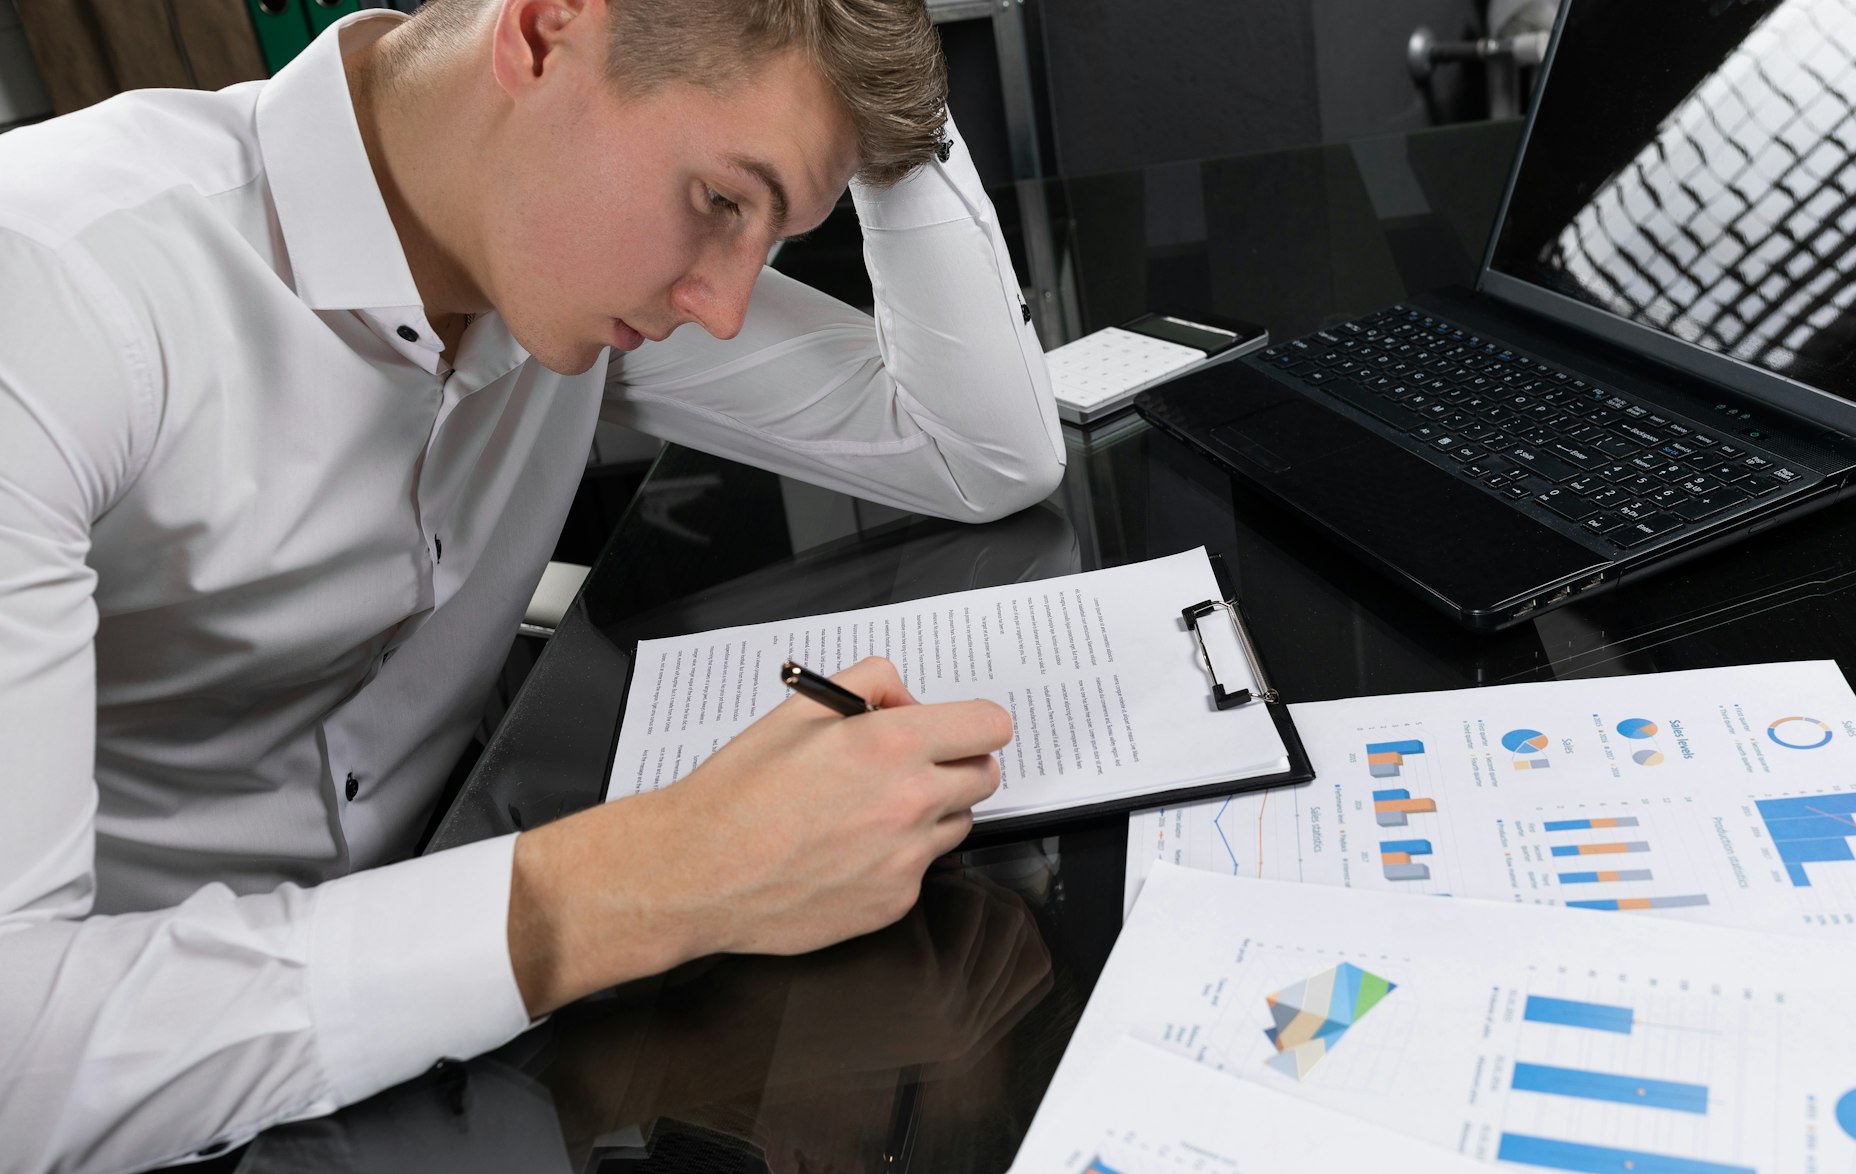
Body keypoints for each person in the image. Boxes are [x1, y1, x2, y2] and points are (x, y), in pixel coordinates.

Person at [0, 0, 1064, 1167]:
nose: (718, 306)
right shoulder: (49, 288)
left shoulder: (556, 255)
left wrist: (886, 111)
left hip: (453, 1043)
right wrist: (666, 872)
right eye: (720, 200)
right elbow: (19, 1059)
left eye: (769, 231)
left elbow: (981, 453)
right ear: (546, 31)